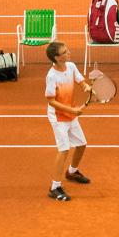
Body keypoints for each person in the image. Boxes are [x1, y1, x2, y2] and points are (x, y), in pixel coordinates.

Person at [44, 41, 92, 201]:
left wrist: (85, 86)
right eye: (65, 52)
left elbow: (80, 80)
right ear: (57, 58)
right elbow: (51, 100)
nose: (69, 53)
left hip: (70, 114)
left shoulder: (70, 66)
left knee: (81, 144)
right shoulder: (51, 76)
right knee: (64, 149)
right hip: (58, 117)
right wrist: (73, 110)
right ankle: (55, 187)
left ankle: (72, 172)